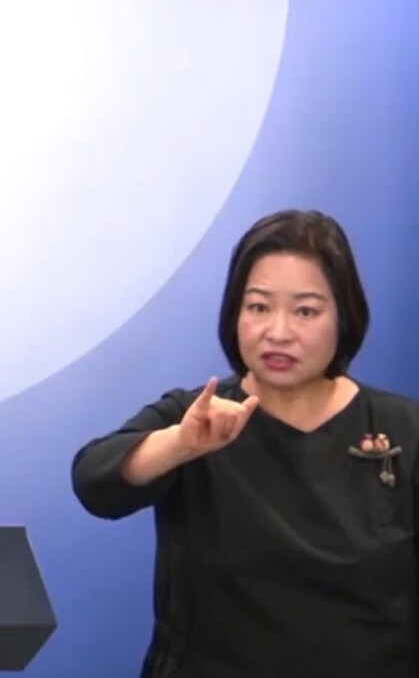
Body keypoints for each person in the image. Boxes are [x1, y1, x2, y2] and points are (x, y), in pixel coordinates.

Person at [71, 210, 419, 677]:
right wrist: (180, 445)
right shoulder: (196, 417)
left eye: (305, 311)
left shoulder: (402, 428)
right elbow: (94, 482)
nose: (278, 332)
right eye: (258, 307)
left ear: (344, 317)